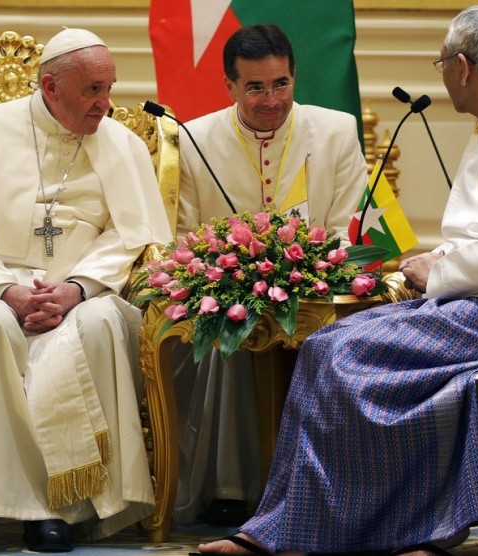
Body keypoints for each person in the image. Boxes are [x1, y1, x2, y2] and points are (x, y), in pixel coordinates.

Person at [198, 5, 478, 556]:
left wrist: (439, 272)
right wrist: (438, 260)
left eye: (441, 64)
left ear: (462, 67)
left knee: (336, 351)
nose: (441, 74)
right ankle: (343, 530)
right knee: (328, 346)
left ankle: (303, 534)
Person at [0, 28, 172, 554]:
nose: (105, 104)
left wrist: (76, 288)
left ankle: (63, 507)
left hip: (80, 290)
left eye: (109, 87)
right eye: (93, 90)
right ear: (50, 86)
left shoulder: (121, 143)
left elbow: (135, 235)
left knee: (99, 324)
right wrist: (4, 290)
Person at [173, 24, 368, 525]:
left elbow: (352, 226)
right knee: (228, 326)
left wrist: (316, 270)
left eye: (281, 84)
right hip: (229, 293)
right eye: (255, 87)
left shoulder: (336, 130)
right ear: (230, 86)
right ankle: (230, 486)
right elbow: (184, 237)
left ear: (294, 77)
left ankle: (319, 482)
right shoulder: (194, 139)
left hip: (319, 291)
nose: (271, 99)